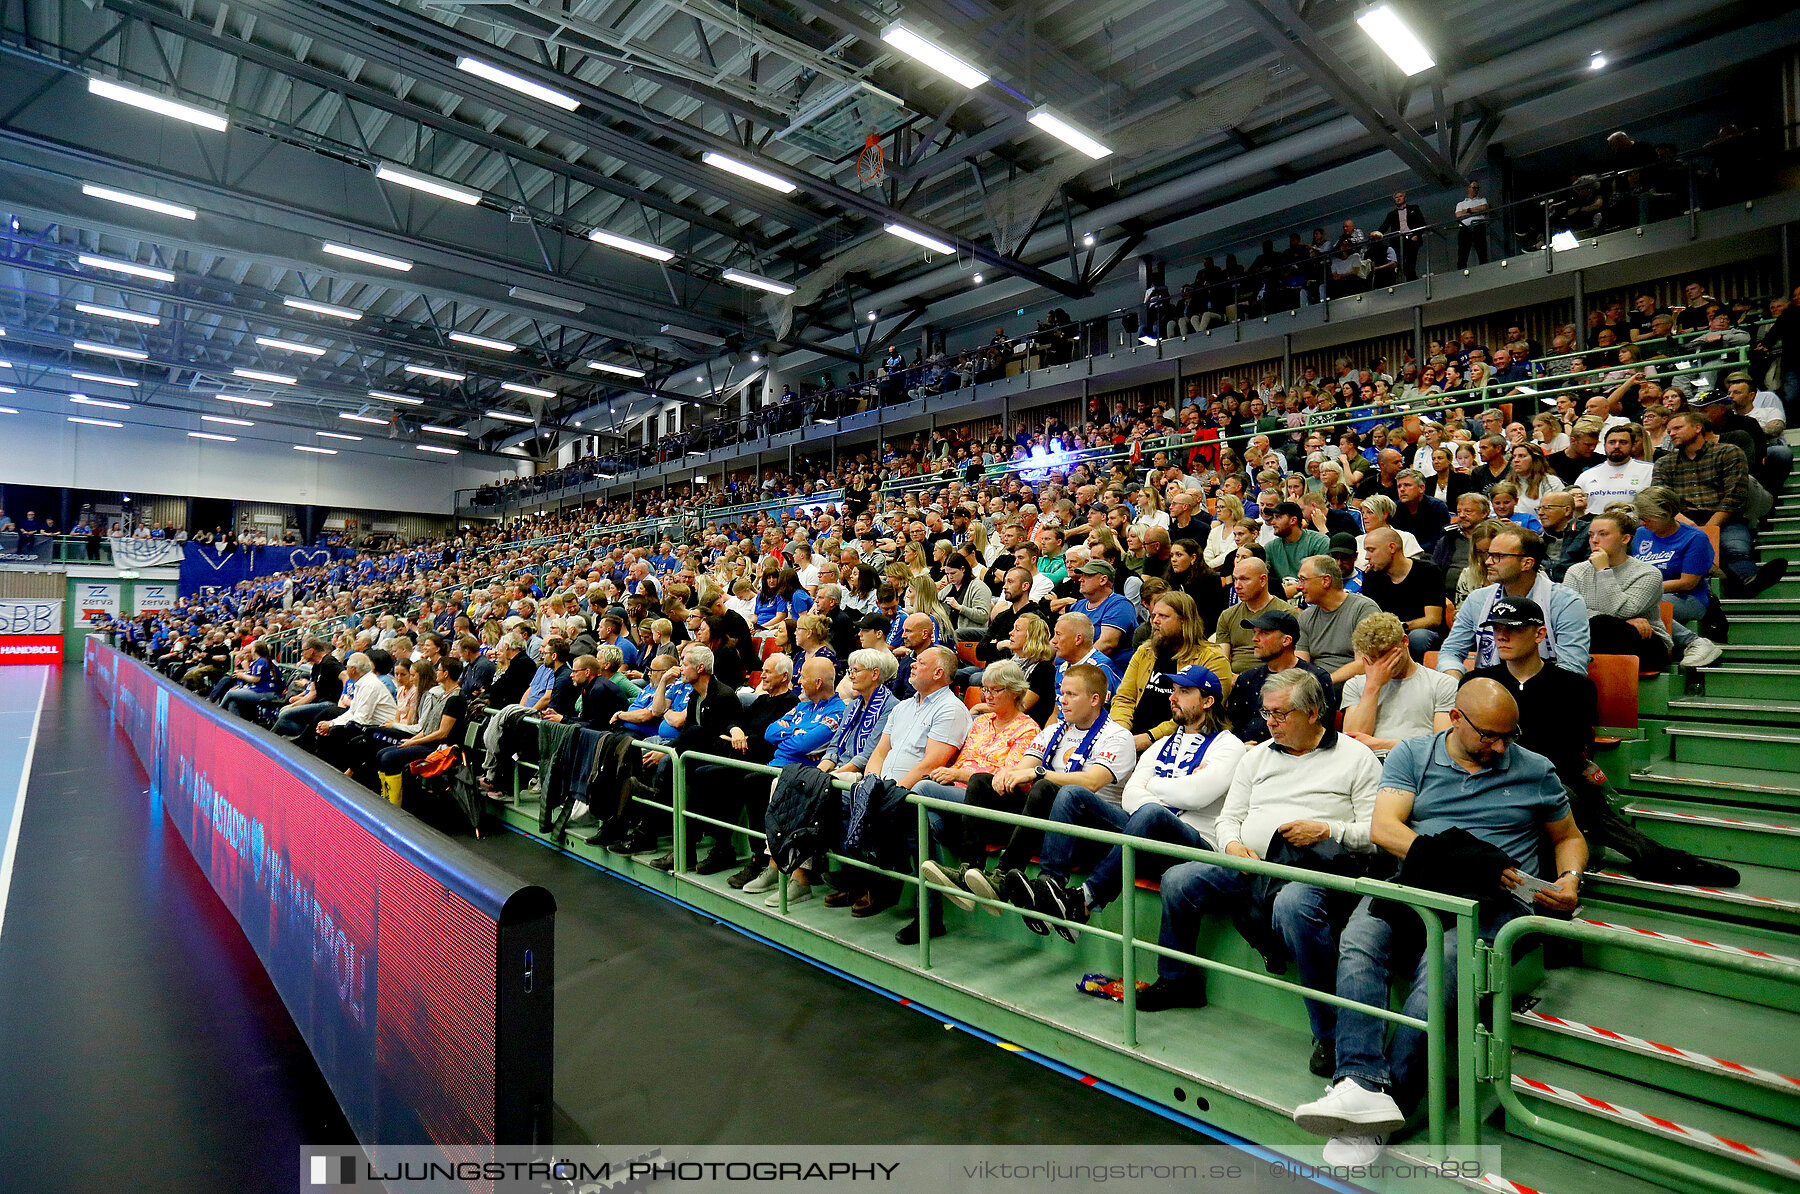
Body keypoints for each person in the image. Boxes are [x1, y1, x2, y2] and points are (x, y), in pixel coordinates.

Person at [1295, 679, 1585, 1166]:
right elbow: (1386, 828)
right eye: (1489, 735)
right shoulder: (1413, 753)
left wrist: (1570, 878)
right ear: (1456, 720)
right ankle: (1360, 1081)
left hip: (1497, 896)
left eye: (1509, 735)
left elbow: (1568, 837)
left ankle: (1389, 1109)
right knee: (1360, 940)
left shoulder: (1535, 770)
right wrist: (1460, 862)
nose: (1500, 746)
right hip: (1421, 878)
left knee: (1445, 963)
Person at [1136, 669, 1380, 1088]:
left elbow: (1375, 833)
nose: (1271, 723)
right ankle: (1178, 981)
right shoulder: (1258, 756)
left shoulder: (1356, 758)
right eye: (1267, 714)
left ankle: (1329, 1033)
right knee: (1180, 878)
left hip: (1315, 869)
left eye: (1281, 714)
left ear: (1314, 712)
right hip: (1252, 862)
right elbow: (1230, 819)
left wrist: (1329, 829)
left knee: (1293, 904)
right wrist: (1231, 846)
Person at [1469, 597, 1738, 886]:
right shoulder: (1478, 685)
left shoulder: (1574, 687)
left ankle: (1649, 858)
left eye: (1514, 629)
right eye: (1496, 629)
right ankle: (1656, 856)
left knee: (1560, 789)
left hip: (1549, 783)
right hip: (1489, 780)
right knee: (1563, 794)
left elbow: (1571, 755)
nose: (1502, 636)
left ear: (1539, 634)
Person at [1019, 665, 1246, 941]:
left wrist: (1153, 785)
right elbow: (1130, 796)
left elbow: (1195, 796)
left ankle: (1086, 899)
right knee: (1072, 795)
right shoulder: (1162, 744)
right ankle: (1051, 887)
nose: (1173, 697)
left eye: (1184, 692)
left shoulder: (1229, 745)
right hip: (1144, 835)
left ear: (1208, 701)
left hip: (1193, 844)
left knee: (1152, 813)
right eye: (1173, 691)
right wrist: (1173, 788)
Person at [1652, 410, 1786, 596]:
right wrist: (1688, 523)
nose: (1671, 433)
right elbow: (1660, 498)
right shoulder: (1663, 463)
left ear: (1697, 428)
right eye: (1669, 430)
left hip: (1724, 516)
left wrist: (1709, 528)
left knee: (1735, 548)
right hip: (1681, 519)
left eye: (1678, 428)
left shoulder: (1729, 452)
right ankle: (1742, 584)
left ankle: (1750, 580)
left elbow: (1735, 494)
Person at [1562, 509, 1706, 671]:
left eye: (1603, 534)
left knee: (1599, 624)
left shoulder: (1648, 573)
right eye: (1591, 535)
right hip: (1594, 636)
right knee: (1589, 628)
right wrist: (1622, 623)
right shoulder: (1577, 571)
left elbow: (1620, 610)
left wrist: (1603, 571)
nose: (1594, 540)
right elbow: (1569, 613)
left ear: (1625, 538)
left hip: (1644, 643)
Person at [1437, 526, 1590, 678]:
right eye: (1489, 555)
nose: (1488, 562)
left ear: (1526, 563)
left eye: (1498, 556)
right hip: (1488, 692)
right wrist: (1454, 678)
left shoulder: (1566, 602)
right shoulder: (1477, 599)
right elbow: (1451, 651)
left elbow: (1572, 669)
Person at [1110, 592, 1235, 752]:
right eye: (1154, 615)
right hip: (1131, 738)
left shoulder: (1212, 659)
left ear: (1184, 621)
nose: (1155, 621)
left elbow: (1202, 713)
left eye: (1163, 616)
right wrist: (1121, 734)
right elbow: (1124, 698)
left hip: (1181, 743)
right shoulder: (1145, 652)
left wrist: (1150, 737)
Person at [1340, 613, 1457, 757]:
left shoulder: (1443, 684)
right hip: (1369, 764)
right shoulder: (1355, 685)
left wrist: (1381, 744)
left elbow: (1442, 748)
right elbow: (1351, 745)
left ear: (1404, 641)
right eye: (1372, 658)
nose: (1380, 664)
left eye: (1384, 655)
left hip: (1417, 763)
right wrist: (1373, 686)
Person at [1631, 486, 1724, 661]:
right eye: (1640, 518)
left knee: (1638, 606)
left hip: (1689, 598)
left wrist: (1644, 590)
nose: (1642, 523)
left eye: (1646, 517)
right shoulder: (1641, 534)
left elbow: (1687, 582)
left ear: (1665, 512)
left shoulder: (1695, 538)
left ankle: (1694, 642)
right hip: (1649, 594)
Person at [1225, 609, 1339, 744]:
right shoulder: (1247, 679)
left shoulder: (1316, 678)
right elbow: (1231, 726)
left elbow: (1322, 729)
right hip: (1250, 755)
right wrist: (1240, 746)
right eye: (1254, 632)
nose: (1254, 639)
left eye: (1264, 633)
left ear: (1286, 640)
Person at [1294, 556, 1382, 689]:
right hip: (1316, 688)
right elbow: (1300, 666)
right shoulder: (1305, 617)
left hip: (1354, 686)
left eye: (1303, 580)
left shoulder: (1363, 609)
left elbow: (1365, 663)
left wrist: (1325, 682)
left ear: (1326, 580)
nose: (1298, 587)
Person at [1360, 528, 1445, 659]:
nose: (1366, 556)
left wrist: (1401, 627)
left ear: (1392, 548)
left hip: (1420, 633)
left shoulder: (1428, 572)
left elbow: (1433, 619)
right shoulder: (1372, 576)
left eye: (1371, 550)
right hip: (1385, 634)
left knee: (1418, 637)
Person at [1213, 557, 1296, 675]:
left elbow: (1292, 661)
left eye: (1244, 579)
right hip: (1235, 681)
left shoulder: (1286, 614)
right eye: (1235, 579)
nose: (1237, 585)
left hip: (1274, 680)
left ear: (1262, 580)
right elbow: (1222, 661)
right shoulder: (1227, 615)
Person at [1069, 560, 1138, 678]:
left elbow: (1107, 644)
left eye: (1087, 576)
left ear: (1103, 580)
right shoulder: (1077, 606)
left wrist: (1077, 666)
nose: (1081, 579)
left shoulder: (1119, 605)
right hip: (1077, 669)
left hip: (1109, 673)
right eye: (1082, 575)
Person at [272, 637, 345, 738]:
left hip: (330, 704)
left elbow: (345, 675)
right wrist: (292, 706)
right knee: (285, 710)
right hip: (319, 702)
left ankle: (272, 737)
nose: (301, 654)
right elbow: (312, 693)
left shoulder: (329, 662)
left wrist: (343, 698)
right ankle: (296, 737)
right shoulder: (315, 667)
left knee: (285, 714)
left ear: (311, 651)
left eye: (303, 651)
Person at [1265, 502, 1331, 595]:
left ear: (1293, 520)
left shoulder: (1319, 542)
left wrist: (1294, 588)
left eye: (1278, 517)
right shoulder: (1270, 548)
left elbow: (1322, 579)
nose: (1273, 522)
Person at [1454, 181, 1489, 267]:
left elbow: (1484, 208)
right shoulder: (1461, 204)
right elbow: (1458, 215)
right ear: (1468, 188)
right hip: (1464, 228)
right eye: (1474, 188)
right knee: (1463, 251)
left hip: (1478, 225)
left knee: (1481, 249)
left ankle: (1484, 267)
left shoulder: (1482, 200)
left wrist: (1467, 211)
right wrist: (1475, 211)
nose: (1476, 190)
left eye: (1477, 188)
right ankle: (1461, 270)